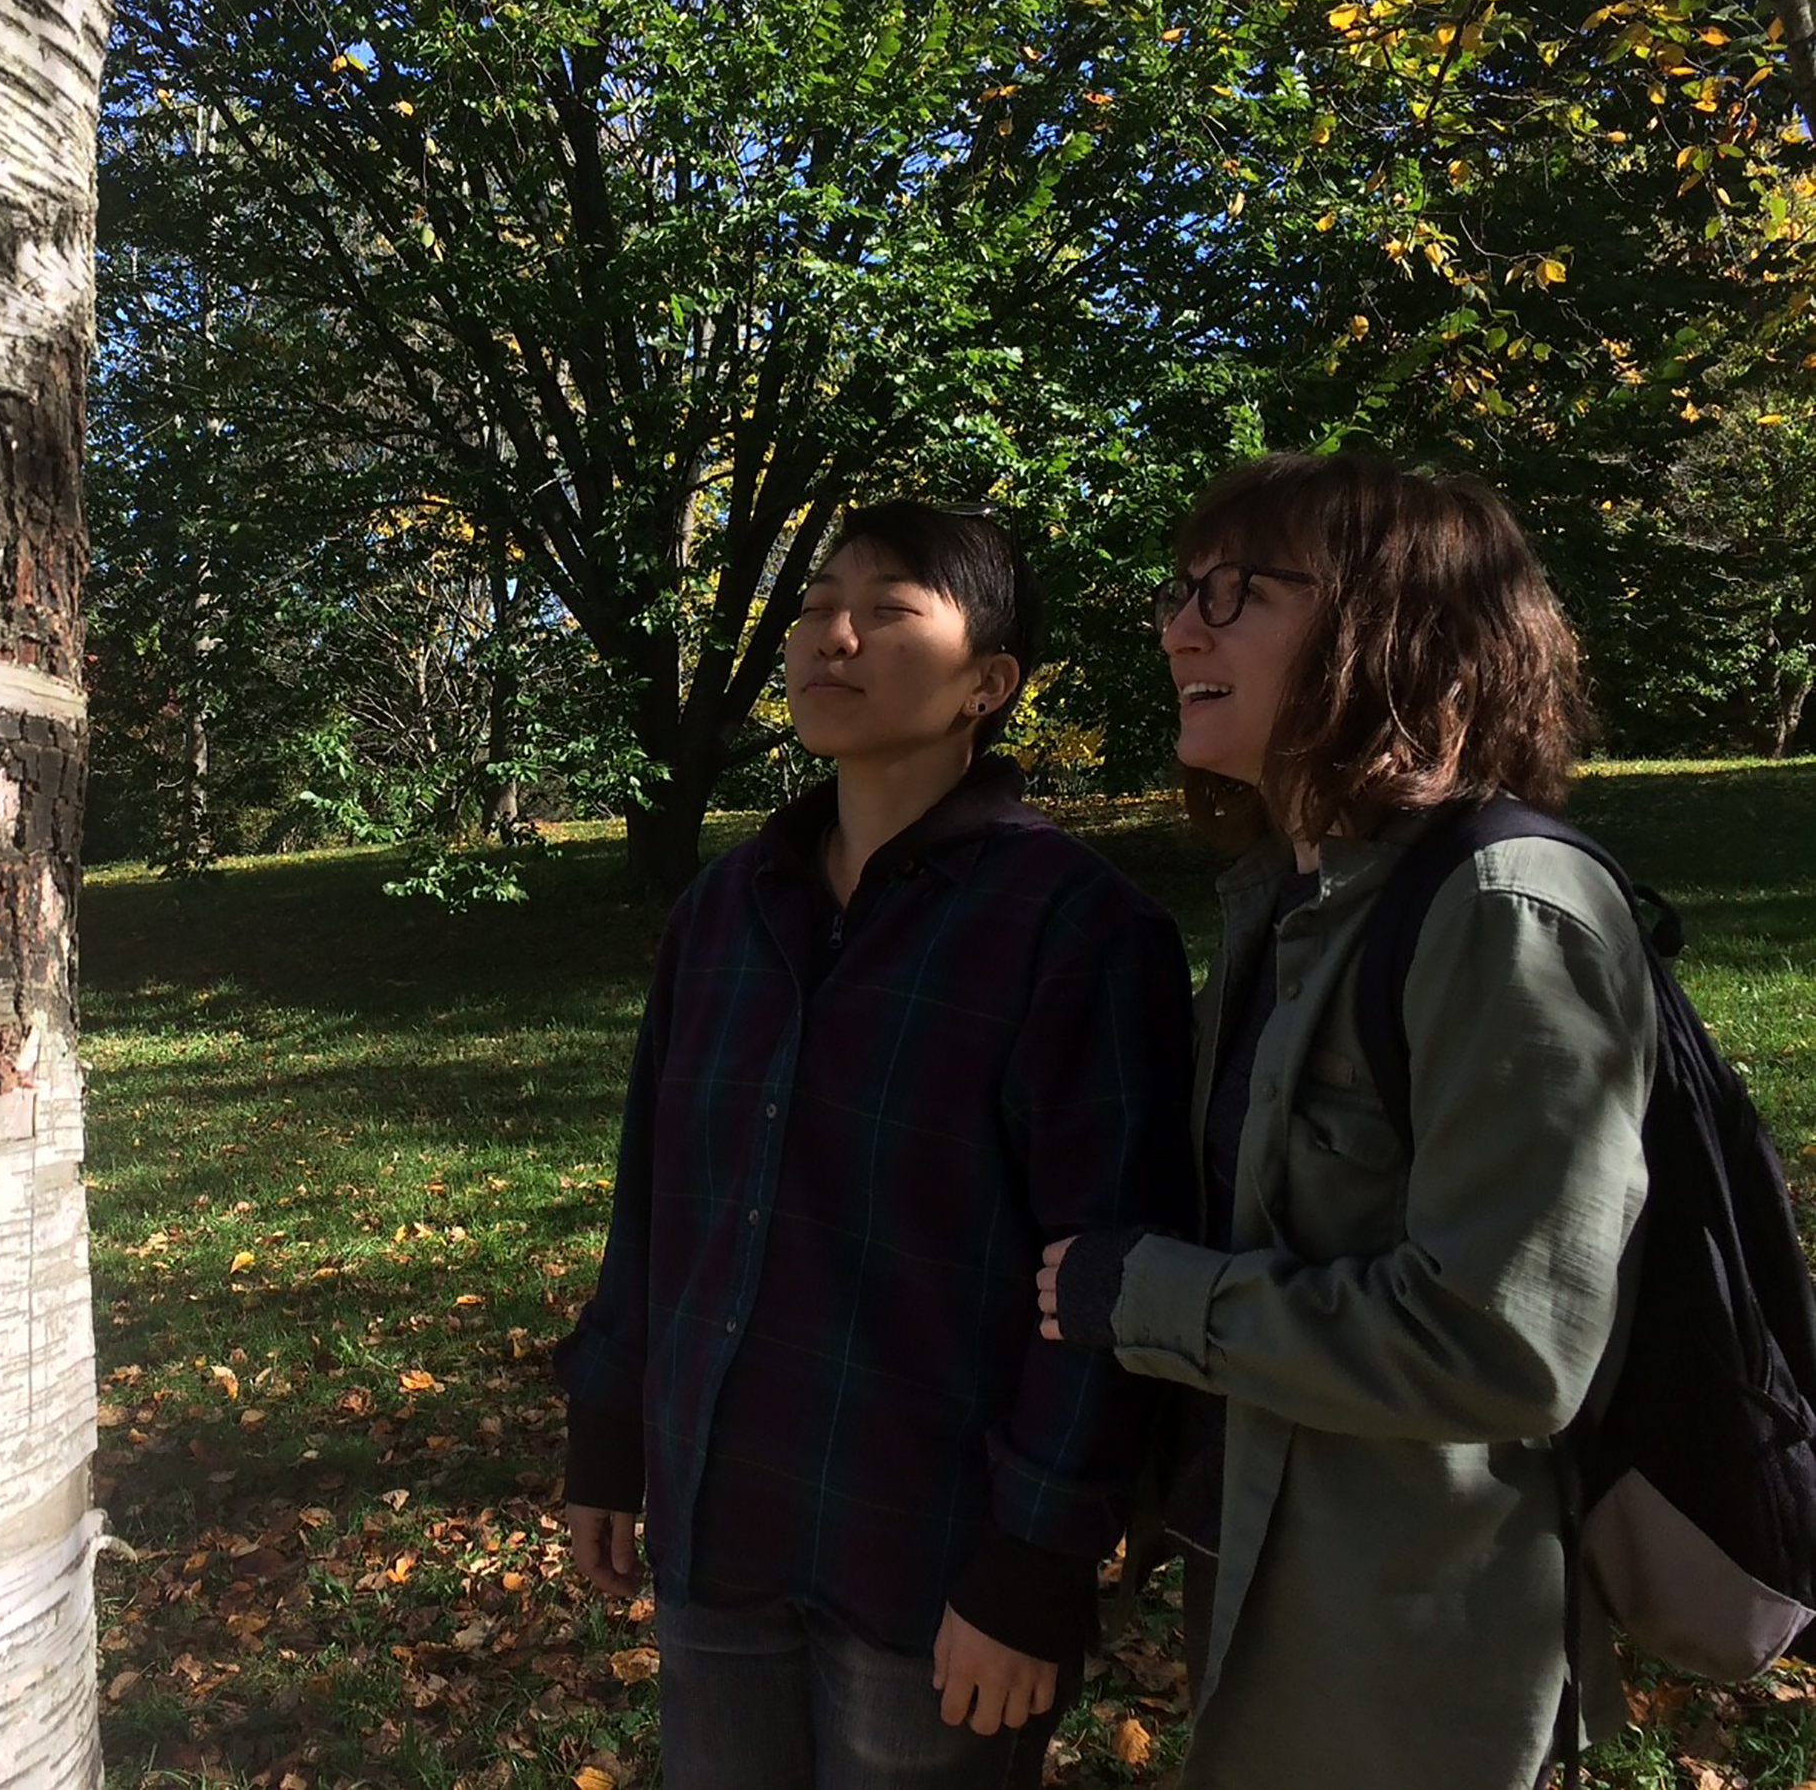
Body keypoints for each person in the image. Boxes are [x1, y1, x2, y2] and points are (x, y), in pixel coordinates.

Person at [554, 500, 1196, 1789]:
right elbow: (658, 1197)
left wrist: (1039, 1560)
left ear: (989, 683)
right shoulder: (727, 910)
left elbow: (1110, 1270)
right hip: (720, 1517)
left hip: (935, 1556)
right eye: (813, 607)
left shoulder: (1075, 929)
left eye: (890, 608)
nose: (829, 637)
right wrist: (610, 1431)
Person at [1037, 451, 1653, 1789]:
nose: (1178, 625)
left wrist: (1147, 1299)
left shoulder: (1506, 911)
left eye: (1237, 592)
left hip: (1411, 1663)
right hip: (1259, 1592)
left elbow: (1507, 1343)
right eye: (1180, 590)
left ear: (1395, 623)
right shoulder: (1278, 904)